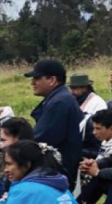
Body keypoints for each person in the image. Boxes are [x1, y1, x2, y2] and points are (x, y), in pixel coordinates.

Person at [25, 59, 84, 189]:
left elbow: (42, 138)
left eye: (37, 78)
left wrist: (17, 146)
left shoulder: (59, 102)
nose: (32, 83)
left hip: (62, 169)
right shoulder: (59, 98)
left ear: (52, 80)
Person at [69, 73, 108, 158]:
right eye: (71, 88)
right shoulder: (76, 101)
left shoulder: (97, 103)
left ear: (84, 88)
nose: (72, 92)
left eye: (75, 88)